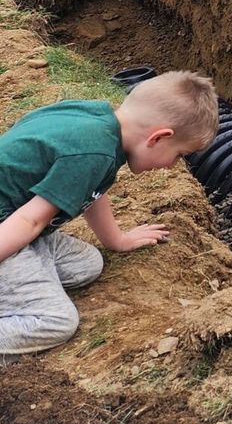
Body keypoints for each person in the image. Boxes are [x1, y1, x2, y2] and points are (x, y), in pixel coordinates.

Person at [0, 70, 219, 358]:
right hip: (12, 225)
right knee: (57, 320)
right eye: (179, 154)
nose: (171, 166)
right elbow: (31, 220)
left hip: (16, 219)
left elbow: (94, 188)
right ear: (158, 137)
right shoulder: (93, 152)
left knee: (87, 264)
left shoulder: (100, 123)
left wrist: (117, 239)